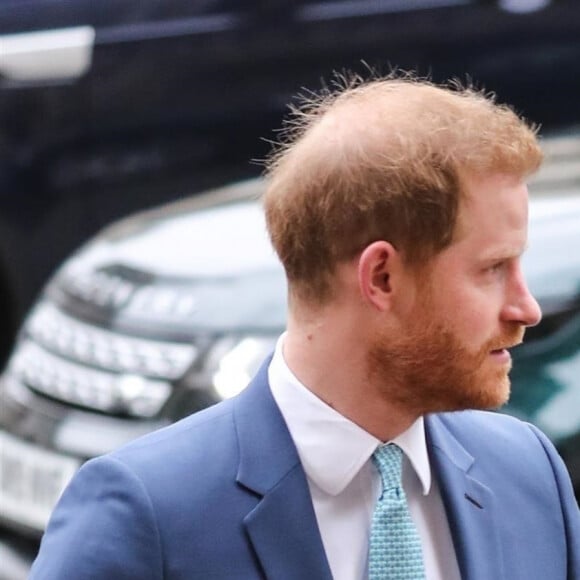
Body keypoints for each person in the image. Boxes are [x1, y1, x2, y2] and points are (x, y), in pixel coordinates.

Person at [30, 74, 579, 580]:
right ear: (382, 277)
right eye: (492, 269)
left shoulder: (528, 472)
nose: (527, 308)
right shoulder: (146, 515)